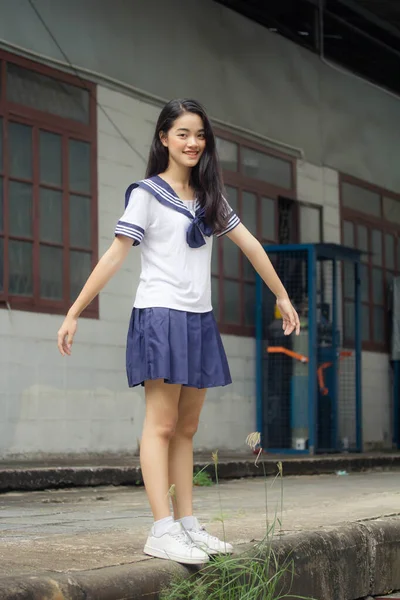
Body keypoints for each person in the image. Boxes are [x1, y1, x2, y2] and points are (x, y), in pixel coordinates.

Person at [57, 98, 300, 566]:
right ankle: (161, 528)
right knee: (162, 425)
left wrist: (282, 295)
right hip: (160, 316)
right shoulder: (146, 193)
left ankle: (188, 525)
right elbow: (114, 255)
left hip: (198, 319)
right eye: (183, 133)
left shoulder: (210, 198)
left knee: (186, 429)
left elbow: (250, 246)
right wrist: (74, 310)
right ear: (164, 138)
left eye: (200, 135)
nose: (193, 143)